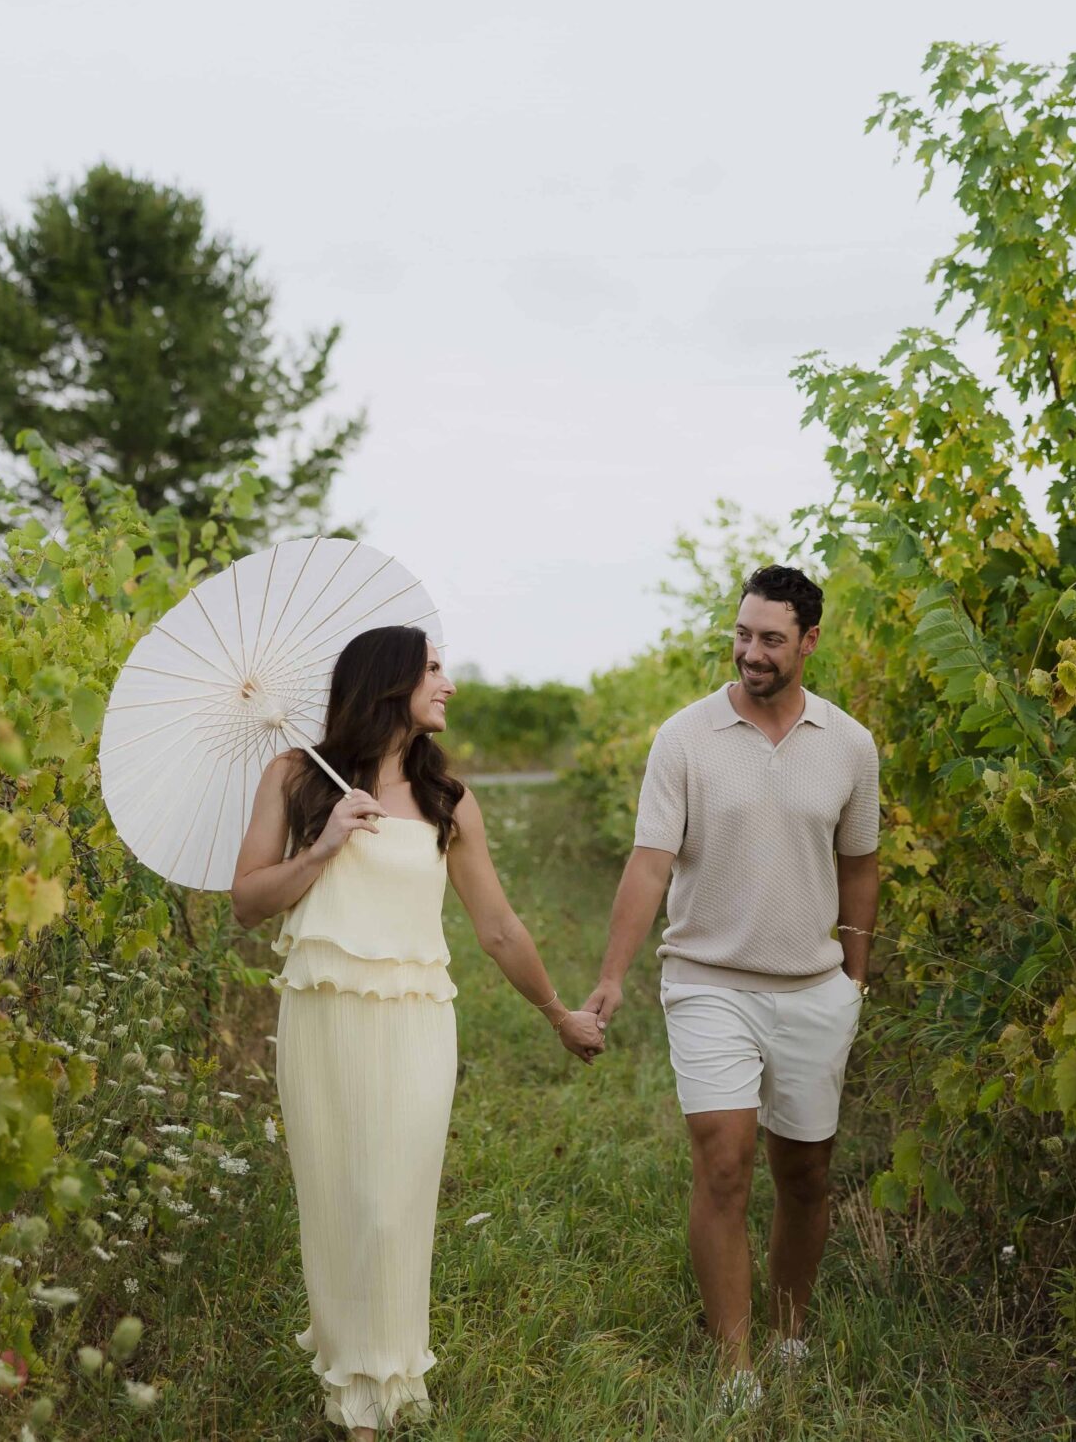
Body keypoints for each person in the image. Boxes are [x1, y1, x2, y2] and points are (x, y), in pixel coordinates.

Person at [230, 624, 607, 1438]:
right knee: (335, 1201)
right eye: (434, 668)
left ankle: (384, 1390)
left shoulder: (448, 800)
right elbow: (248, 900)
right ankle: (352, 1382)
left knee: (392, 1203)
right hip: (323, 1018)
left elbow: (498, 926)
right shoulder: (297, 777)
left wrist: (556, 1014)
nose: (450, 683)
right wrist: (325, 844)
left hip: (414, 1025)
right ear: (390, 682)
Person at [581, 564, 881, 1410]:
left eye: (771, 638)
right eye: (743, 633)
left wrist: (855, 976)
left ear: (809, 642)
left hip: (813, 987)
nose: (751, 651)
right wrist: (611, 975)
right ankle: (736, 1367)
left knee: (807, 1171)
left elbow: (861, 863)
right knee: (723, 1163)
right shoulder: (686, 737)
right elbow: (649, 865)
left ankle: (789, 1337)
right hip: (708, 978)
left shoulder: (850, 745)